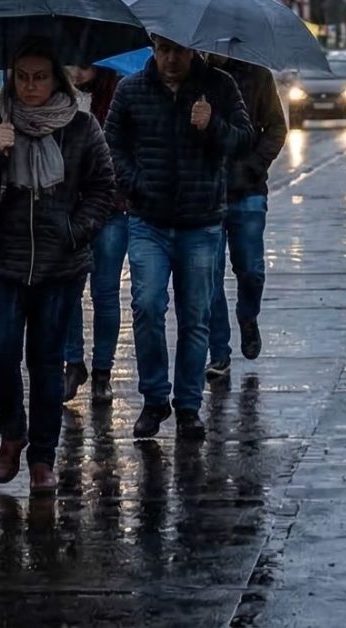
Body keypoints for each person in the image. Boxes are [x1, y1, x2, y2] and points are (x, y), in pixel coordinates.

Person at [0, 44, 118, 491]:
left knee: (47, 363)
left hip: (59, 266)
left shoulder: (82, 127)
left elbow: (104, 187)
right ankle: (12, 432)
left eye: (40, 77)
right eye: (22, 77)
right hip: (0, 263)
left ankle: (43, 458)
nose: (30, 86)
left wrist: (75, 231)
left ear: (56, 79)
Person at [105, 34, 250, 441]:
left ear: (194, 51)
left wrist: (212, 125)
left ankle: (188, 406)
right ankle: (154, 399)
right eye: (164, 50)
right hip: (148, 220)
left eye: (179, 51)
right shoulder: (131, 89)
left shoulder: (219, 86)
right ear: (153, 48)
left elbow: (243, 140)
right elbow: (111, 144)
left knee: (195, 317)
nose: (171, 59)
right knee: (147, 306)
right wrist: (135, 183)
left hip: (200, 222)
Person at [207, 54, 287, 379]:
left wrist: (253, 166)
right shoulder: (195, 77)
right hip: (204, 194)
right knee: (208, 277)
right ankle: (219, 353)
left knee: (251, 270)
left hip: (248, 191)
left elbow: (276, 127)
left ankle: (248, 315)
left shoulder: (257, 74)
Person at [62, 64, 127, 400]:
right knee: (68, 289)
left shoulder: (118, 94)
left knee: (104, 293)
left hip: (111, 209)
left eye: (84, 62)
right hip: (70, 208)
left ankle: (103, 371)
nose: (76, 69)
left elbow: (128, 150)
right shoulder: (59, 98)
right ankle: (73, 362)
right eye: (70, 62)